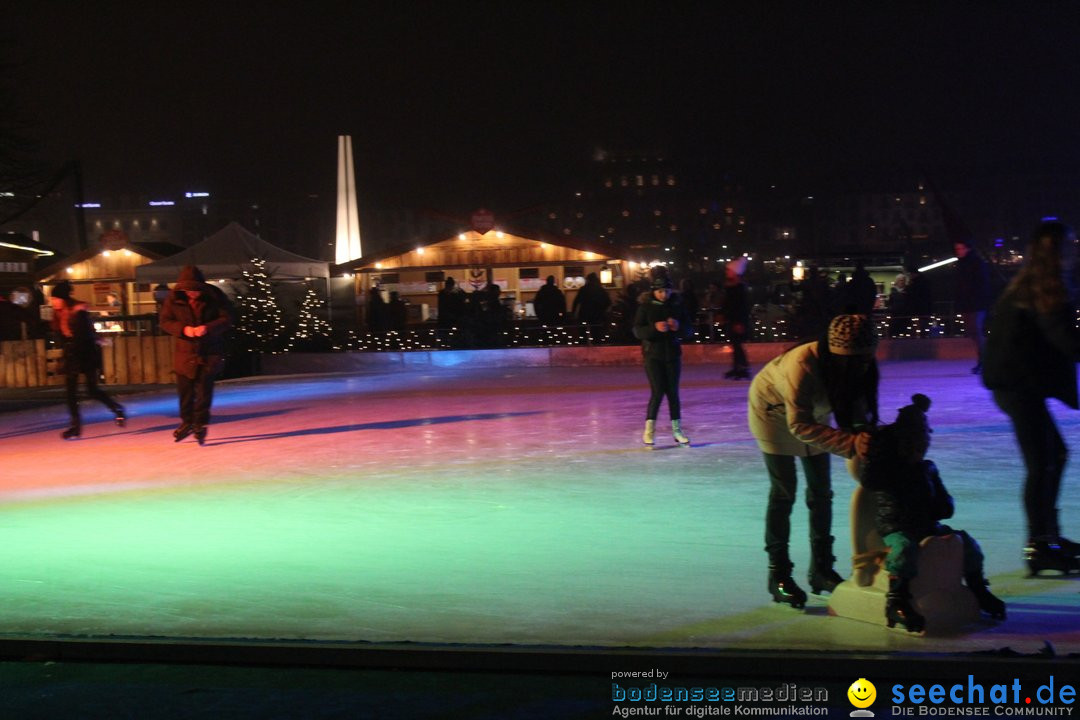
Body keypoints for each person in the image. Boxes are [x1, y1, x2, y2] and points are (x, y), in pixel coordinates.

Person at [748, 314, 879, 608]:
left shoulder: (860, 365)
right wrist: (851, 443)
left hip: (812, 414)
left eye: (867, 359)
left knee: (822, 492)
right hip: (772, 414)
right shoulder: (801, 366)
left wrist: (866, 434)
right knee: (784, 493)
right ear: (838, 356)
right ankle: (778, 575)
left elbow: (859, 412)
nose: (863, 366)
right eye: (855, 361)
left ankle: (821, 569)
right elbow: (799, 425)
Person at [983, 220, 1080, 576]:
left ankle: (1047, 537)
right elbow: (1066, 341)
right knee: (1043, 463)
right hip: (1017, 387)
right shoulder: (1045, 287)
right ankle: (1040, 544)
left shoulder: (1027, 283)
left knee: (1053, 456)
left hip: (1016, 384)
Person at [861, 394, 1006, 632]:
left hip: (926, 526)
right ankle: (896, 599)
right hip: (896, 528)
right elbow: (870, 480)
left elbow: (945, 504)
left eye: (922, 445)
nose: (920, 451)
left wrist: (940, 505)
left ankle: (978, 588)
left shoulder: (927, 469)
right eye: (914, 446)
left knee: (967, 543)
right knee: (904, 548)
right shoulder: (886, 470)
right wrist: (879, 448)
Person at [159, 266, 232, 445]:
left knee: (204, 391)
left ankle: (200, 423)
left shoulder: (215, 296)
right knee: (185, 391)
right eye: (188, 290)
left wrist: (208, 328)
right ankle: (187, 422)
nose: (192, 294)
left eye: (196, 290)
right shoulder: (173, 298)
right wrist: (183, 329)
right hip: (185, 353)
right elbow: (165, 321)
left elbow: (228, 318)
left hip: (209, 352)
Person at [49, 280, 126, 439]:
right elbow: (61, 336)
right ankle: (75, 427)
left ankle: (117, 408)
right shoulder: (57, 314)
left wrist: (96, 340)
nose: (52, 302)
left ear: (63, 299)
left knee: (92, 390)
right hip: (71, 355)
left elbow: (86, 335)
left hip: (85, 354)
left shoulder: (79, 312)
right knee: (71, 393)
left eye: (55, 299)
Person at [633, 275, 693, 446]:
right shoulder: (645, 307)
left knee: (673, 393)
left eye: (666, 291)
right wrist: (654, 328)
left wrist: (679, 327)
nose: (663, 294)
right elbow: (637, 330)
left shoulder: (677, 305)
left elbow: (689, 331)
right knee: (658, 391)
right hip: (653, 356)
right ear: (653, 291)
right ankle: (649, 431)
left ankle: (677, 431)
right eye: (660, 291)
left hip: (673, 355)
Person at [953, 239, 991, 374]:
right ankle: (984, 361)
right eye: (957, 249)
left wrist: (978, 299)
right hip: (967, 304)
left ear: (968, 249)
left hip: (976, 303)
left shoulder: (976, 263)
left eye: (961, 248)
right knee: (972, 333)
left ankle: (985, 362)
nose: (958, 251)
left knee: (977, 332)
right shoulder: (961, 264)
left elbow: (982, 284)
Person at [721, 258, 751, 379]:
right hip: (733, 319)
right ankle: (737, 367)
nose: (727, 272)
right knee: (735, 344)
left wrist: (739, 322)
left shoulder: (738, 288)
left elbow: (741, 306)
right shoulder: (731, 287)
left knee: (737, 345)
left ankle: (742, 368)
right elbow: (728, 304)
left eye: (729, 270)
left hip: (737, 320)